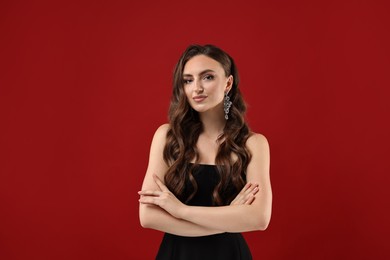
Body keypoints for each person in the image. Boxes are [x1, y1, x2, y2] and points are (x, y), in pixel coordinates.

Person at [138, 44, 272, 260]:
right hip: (176, 254)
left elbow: (259, 219)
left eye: (207, 77)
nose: (196, 88)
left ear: (228, 83)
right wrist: (229, 218)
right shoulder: (167, 137)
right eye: (188, 80)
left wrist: (180, 210)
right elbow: (148, 216)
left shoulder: (253, 144)